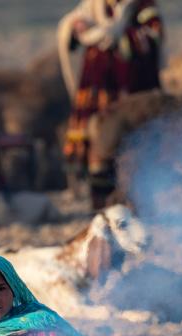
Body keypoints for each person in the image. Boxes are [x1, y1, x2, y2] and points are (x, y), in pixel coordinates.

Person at [58, 0, 164, 209]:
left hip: (133, 91)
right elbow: (72, 34)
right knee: (96, 149)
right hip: (96, 89)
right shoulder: (92, 6)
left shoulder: (140, 6)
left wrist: (121, 34)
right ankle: (100, 206)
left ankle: (136, 204)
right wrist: (78, 28)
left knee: (134, 149)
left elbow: (155, 35)